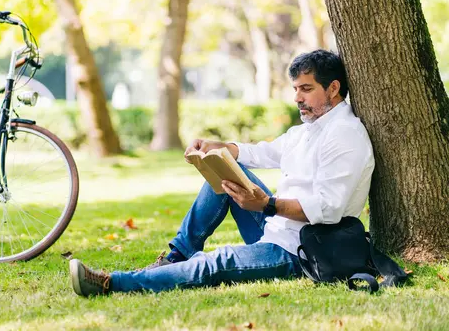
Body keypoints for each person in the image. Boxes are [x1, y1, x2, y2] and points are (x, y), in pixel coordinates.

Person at [69, 49, 375, 297]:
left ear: (333, 88)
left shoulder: (345, 135)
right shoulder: (309, 130)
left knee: (218, 262)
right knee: (227, 175)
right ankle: (176, 257)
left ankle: (112, 282)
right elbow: (264, 153)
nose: (297, 98)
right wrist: (220, 148)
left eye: (306, 89)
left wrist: (266, 204)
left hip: (303, 250)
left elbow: (329, 209)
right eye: (295, 89)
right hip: (278, 227)